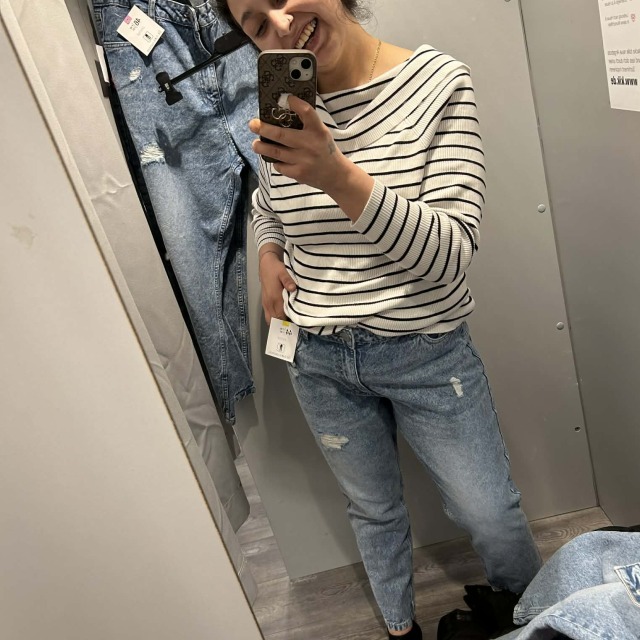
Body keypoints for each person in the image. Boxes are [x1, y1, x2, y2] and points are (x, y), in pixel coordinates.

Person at [216, 0, 543, 637]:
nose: (280, 24)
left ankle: (538, 617)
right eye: (256, 23)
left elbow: (449, 256)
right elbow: (269, 202)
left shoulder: (437, 82)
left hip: (426, 353)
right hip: (318, 357)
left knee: (489, 513)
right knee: (372, 510)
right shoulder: (282, 105)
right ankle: (400, 629)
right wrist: (268, 251)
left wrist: (337, 174)